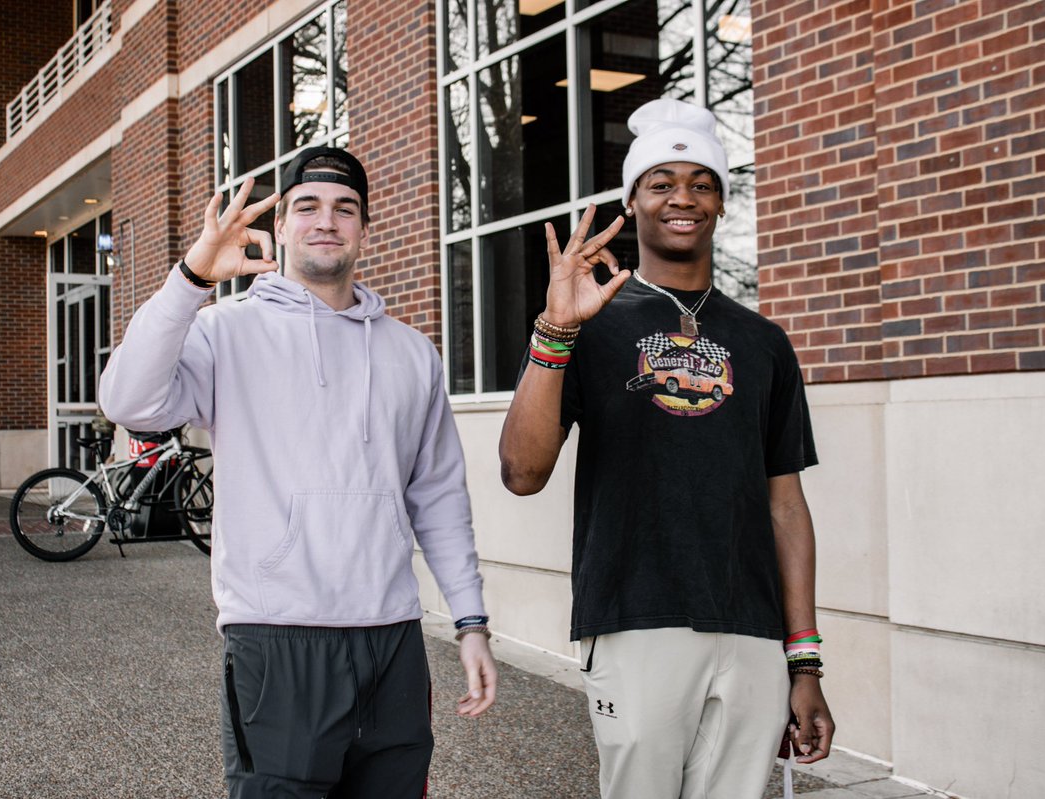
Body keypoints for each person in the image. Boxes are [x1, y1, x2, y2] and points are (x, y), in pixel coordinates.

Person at [99, 146, 497, 799]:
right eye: (306, 206)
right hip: (277, 635)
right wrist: (194, 275)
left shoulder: (410, 354)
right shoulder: (224, 331)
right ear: (279, 226)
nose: (325, 221)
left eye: (345, 209)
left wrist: (470, 620)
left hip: (392, 640)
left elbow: (438, 497)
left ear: (365, 228)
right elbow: (127, 400)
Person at [498, 98, 834, 798]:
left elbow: (786, 507)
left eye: (702, 182)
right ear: (633, 200)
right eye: (662, 182)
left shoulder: (765, 342)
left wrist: (804, 662)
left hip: (750, 629)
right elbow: (522, 472)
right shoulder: (592, 323)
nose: (684, 197)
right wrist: (554, 331)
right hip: (633, 616)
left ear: (721, 201)